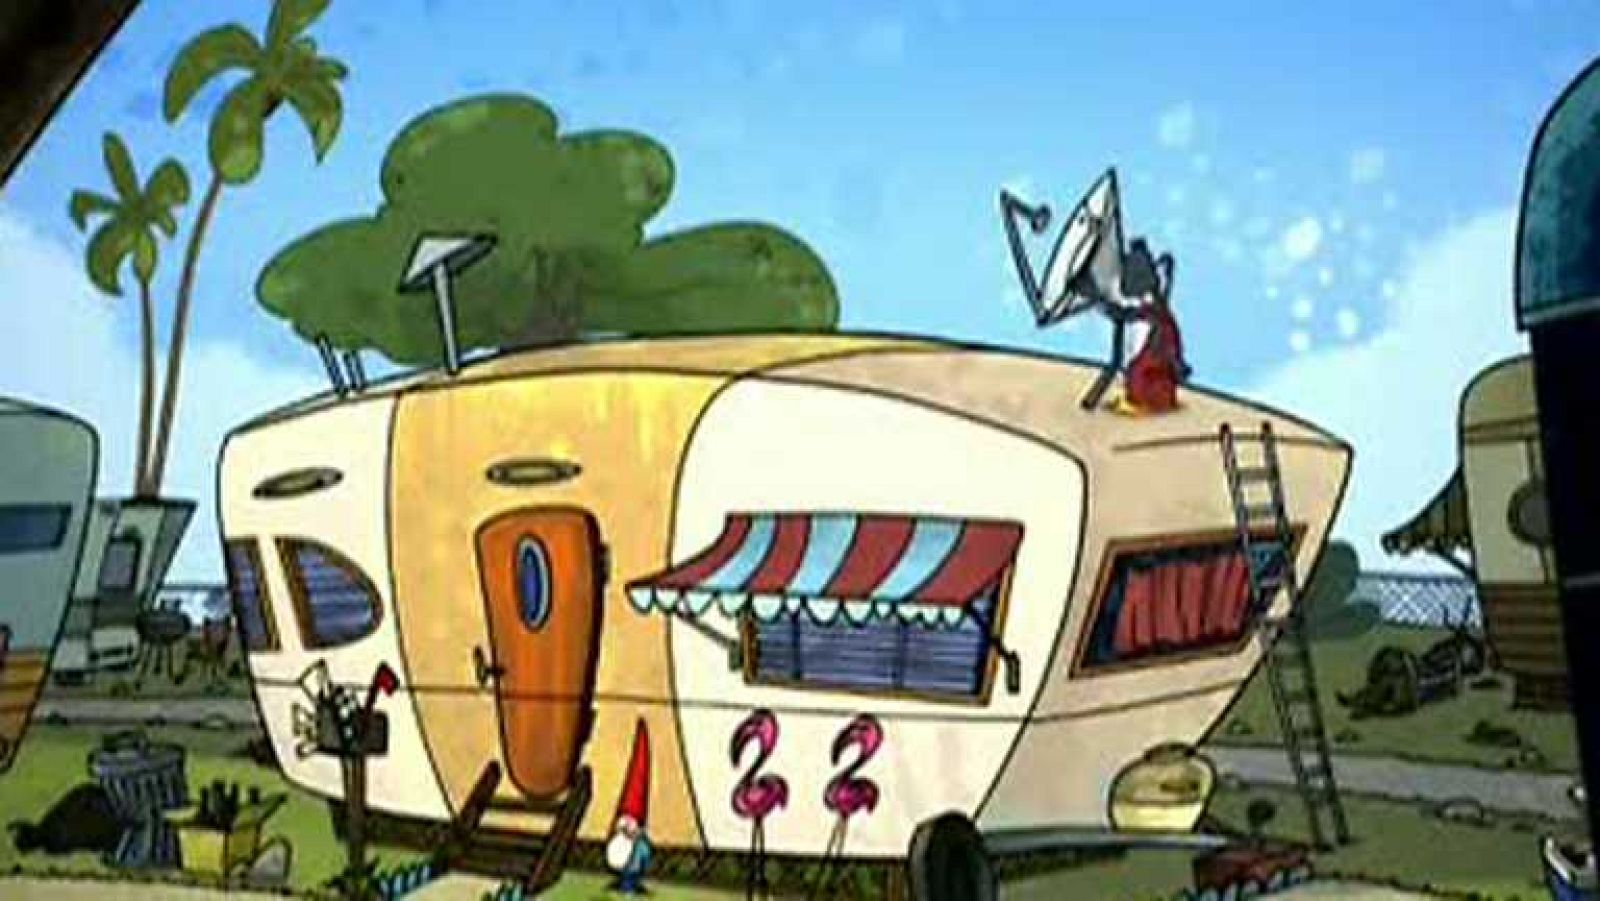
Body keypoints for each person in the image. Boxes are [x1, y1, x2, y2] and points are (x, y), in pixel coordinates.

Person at [1113, 240, 1189, 416]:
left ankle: (1141, 400)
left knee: (1140, 364)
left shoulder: (1150, 313)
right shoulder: (1158, 310)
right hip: (1155, 333)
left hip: (1153, 349)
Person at [606, 719, 655, 894]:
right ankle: (626, 884)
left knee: (639, 854)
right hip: (625, 854)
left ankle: (630, 883)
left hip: (633, 856)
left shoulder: (640, 842)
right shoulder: (623, 831)